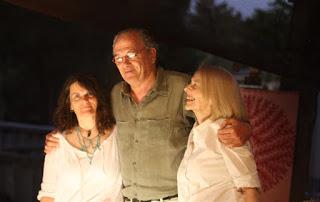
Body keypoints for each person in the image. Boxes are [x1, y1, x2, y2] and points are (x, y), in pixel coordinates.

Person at [45, 28, 252, 201]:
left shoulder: (181, 86)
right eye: (118, 58)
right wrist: (59, 138)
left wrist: (245, 127)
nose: (124, 63)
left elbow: (218, 108)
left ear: (152, 54)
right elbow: (89, 119)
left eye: (131, 55)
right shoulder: (116, 95)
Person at [177, 65, 260, 202]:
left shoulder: (228, 132)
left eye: (195, 85)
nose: (186, 89)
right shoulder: (197, 131)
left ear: (215, 94)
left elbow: (250, 191)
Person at [38, 74, 122, 202]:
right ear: (70, 105)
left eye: (90, 94)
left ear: (98, 99)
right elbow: (48, 194)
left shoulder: (118, 135)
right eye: (76, 96)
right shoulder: (57, 142)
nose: (84, 100)